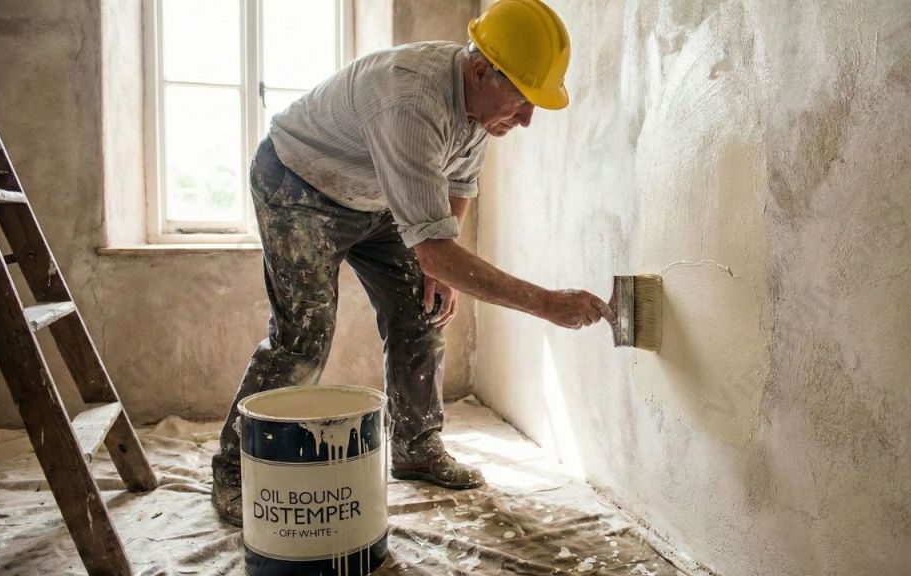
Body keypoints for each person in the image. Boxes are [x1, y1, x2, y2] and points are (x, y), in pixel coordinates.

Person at [211, 0, 612, 526]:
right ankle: (235, 473)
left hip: (378, 200)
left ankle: (416, 446)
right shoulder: (410, 98)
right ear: (480, 71)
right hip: (299, 186)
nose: (528, 118)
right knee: (303, 337)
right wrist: (546, 303)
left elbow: (459, 185)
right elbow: (434, 245)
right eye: (521, 98)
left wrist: (436, 269)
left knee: (423, 309)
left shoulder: (480, 109)